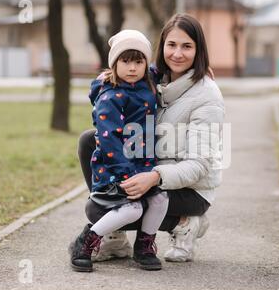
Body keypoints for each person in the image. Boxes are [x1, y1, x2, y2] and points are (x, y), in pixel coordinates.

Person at [78, 14, 225, 263]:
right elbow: (122, 71)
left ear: (199, 51)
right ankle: (116, 238)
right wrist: (105, 80)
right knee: (91, 140)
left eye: (187, 46)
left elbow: (200, 166)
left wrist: (154, 177)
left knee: (98, 209)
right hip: (147, 167)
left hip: (189, 189)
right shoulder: (152, 78)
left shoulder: (207, 96)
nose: (177, 53)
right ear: (162, 47)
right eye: (172, 45)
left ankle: (185, 223)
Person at [70, 29, 169, 272]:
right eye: (125, 61)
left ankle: (144, 246)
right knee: (132, 209)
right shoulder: (110, 97)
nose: (132, 67)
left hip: (143, 166)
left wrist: (198, 73)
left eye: (138, 60)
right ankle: (87, 241)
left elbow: (162, 68)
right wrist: (125, 174)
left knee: (160, 199)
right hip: (115, 168)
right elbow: (109, 140)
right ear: (114, 63)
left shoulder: (148, 81)